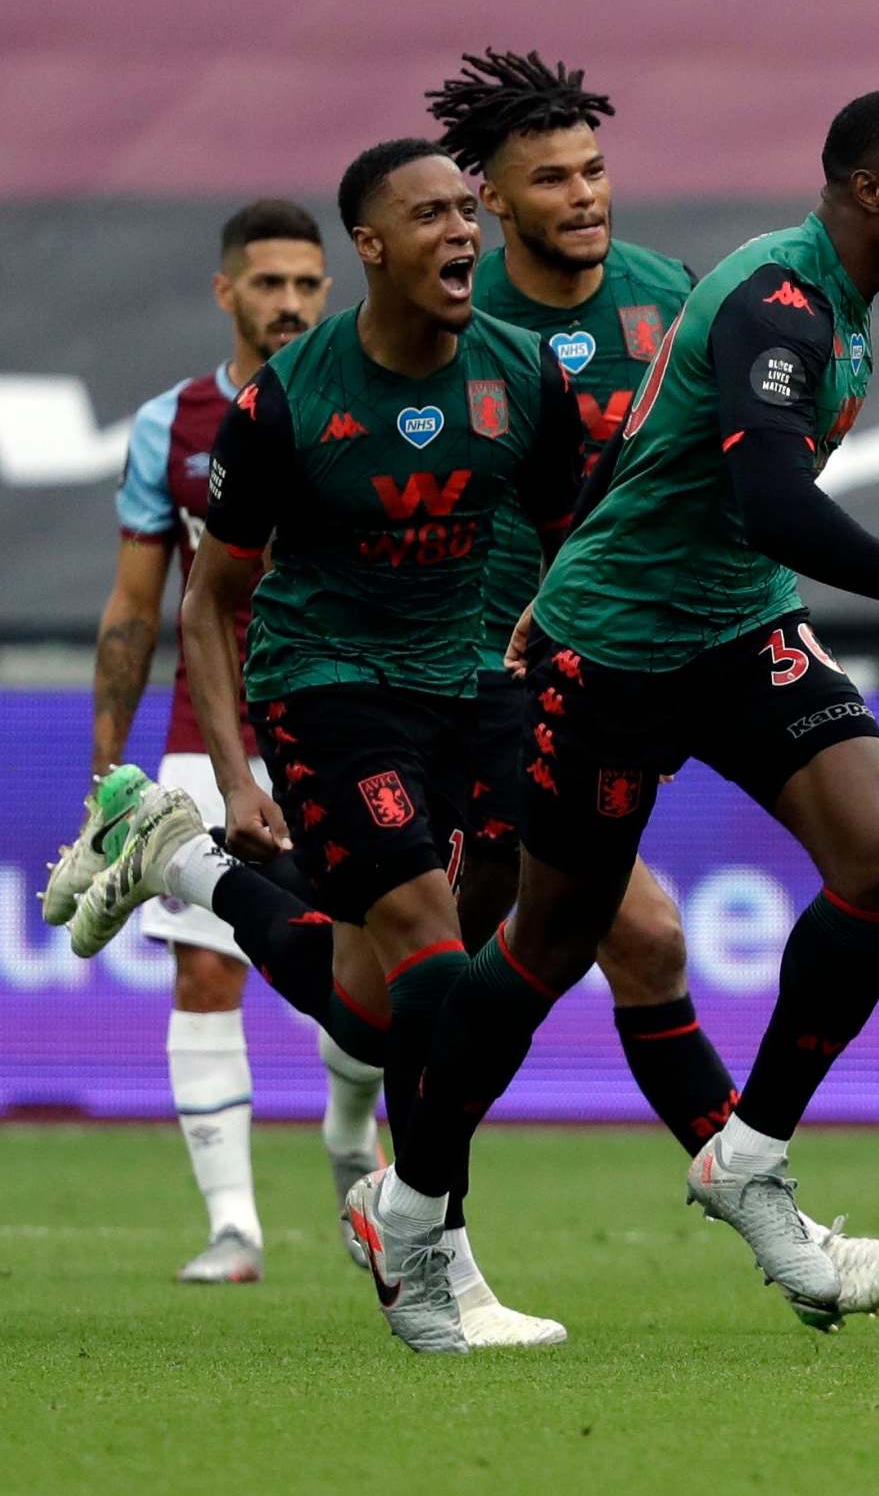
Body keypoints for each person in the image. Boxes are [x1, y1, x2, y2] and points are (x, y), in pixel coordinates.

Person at [377, 90, 879, 1352]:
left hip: (738, 628)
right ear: (865, 192)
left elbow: (655, 465)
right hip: (620, 654)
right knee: (543, 949)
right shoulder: (775, 305)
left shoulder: (830, 307)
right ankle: (409, 1212)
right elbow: (776, 502)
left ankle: (747, 1156)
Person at [70, 138, 582, 1353]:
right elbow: (209, 601)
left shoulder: (526, 377)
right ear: (371, 246)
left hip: (472, 680)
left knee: (381, 1006)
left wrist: (551, 647)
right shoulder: (286, 405)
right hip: (326, 687)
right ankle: (428, 1260)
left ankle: (183, 865)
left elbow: (576, 533)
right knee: (430, 960)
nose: (462, 232)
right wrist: (239, 770)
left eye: (468, 211)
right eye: (430, 215)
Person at [39, 199, 385, 1285]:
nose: (288, 303)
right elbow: (136, 608)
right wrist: (110, 770)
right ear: (225, 291)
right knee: (203, 972)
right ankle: (234, 1225)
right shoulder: (171, 425)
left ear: (330, 291)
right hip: (212, 724)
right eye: (268, 284)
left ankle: (347, 1133)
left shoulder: (371, 400)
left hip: (351, 714)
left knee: (378, 963)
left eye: (306, 285)